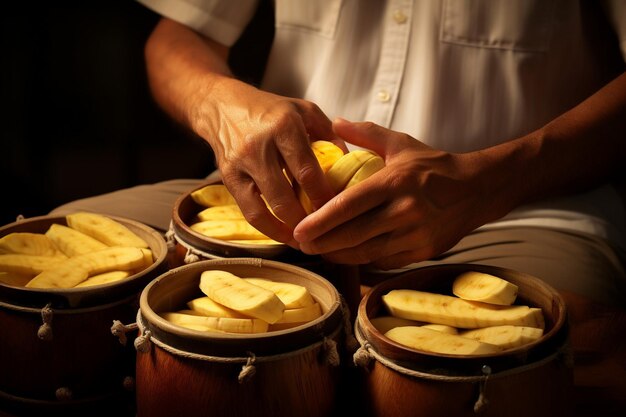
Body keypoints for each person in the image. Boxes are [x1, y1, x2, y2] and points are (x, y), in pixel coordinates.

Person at [51, 0, 626, 308]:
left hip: (517, 211)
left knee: (542, 344)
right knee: (43, 279)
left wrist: (484, 183)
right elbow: (182, 34)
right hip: (262, 208)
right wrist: (218, 103)